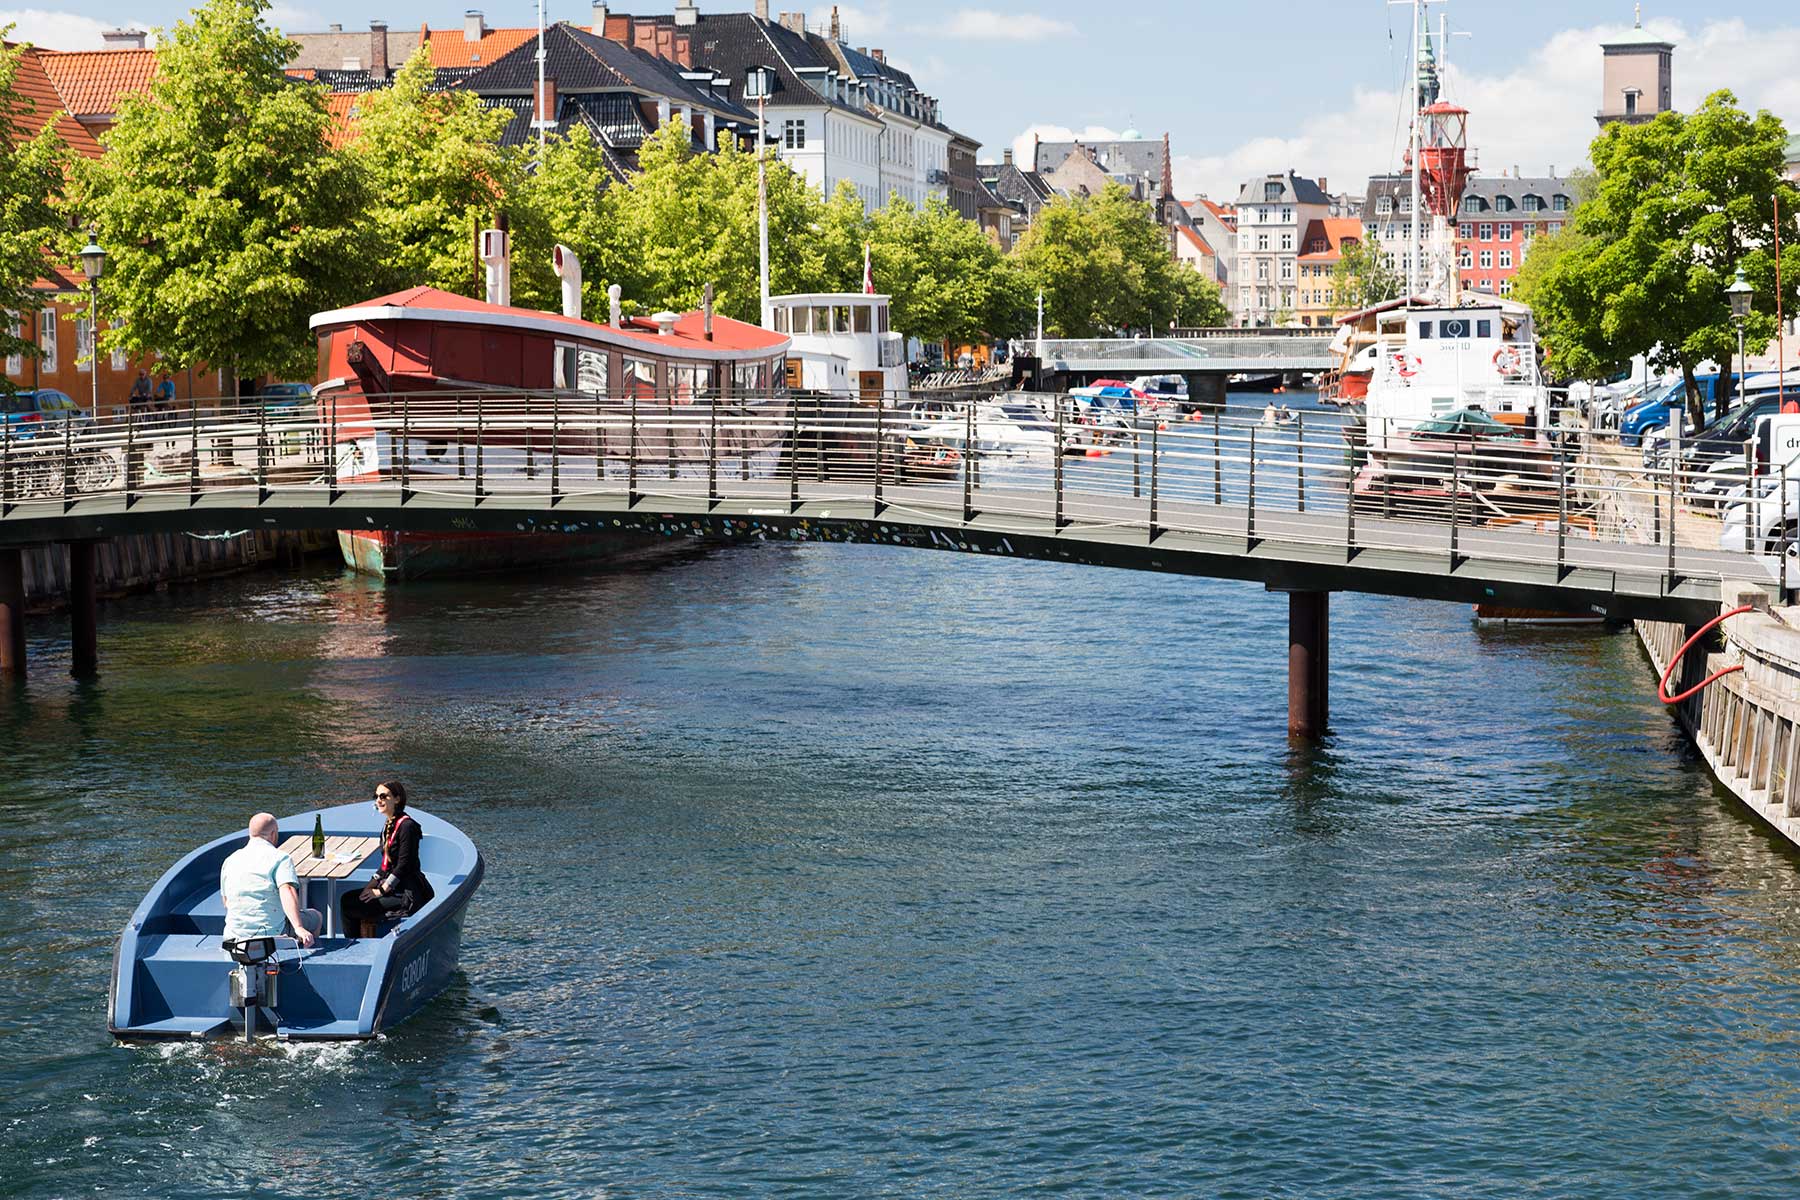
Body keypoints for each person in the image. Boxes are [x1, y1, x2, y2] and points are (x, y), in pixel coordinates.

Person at [341, 781, 434, 939]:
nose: (378, 800)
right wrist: (370, 885)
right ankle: (355, 942)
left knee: (350, 905)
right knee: (348, 898)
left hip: (407, 894)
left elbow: (403, 866)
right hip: (394, 888)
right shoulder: (389, 824)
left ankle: (355, 944)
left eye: (383, 796)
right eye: (376, 796)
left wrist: (380, 891)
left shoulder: (407, 827)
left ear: (397, 799)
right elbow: (386, 864)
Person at [220, 813, 320, 948]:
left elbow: (226, 902)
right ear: (273, 834)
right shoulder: (280, 858)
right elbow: (287, 890)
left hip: (233, 935)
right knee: (316, 917)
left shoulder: (230, 860)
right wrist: (298, 927)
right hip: (272, 934)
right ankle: (307, 955)